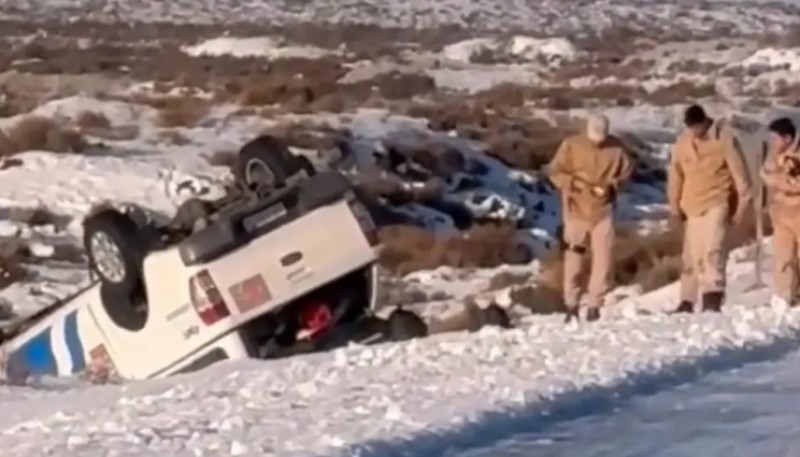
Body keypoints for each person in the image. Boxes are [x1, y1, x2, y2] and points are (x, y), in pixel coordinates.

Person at [547, 114, 633, 322]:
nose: (599, 142)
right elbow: (554, 171)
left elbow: (627, 172)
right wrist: (572, 184)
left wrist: (612, 186)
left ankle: (595, 305)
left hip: (604, 212)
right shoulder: (571, 145)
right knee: (574, 259)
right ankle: (571, 304)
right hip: (576, 211)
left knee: (603, 261)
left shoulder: (617, 149)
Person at [668, 104, 753, 314]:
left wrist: (741, 209)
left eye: (697, 126)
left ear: (704, 121)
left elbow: (740, 176)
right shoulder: (682, 144)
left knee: (713, 250)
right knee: (692, 256)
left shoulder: (724, 140)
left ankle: (712, 296)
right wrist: (673, 206)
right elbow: (676, 176)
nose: (695, 131)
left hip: (717, 201)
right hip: (691, 205)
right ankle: (687, 300)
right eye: (690, 128)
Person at [759, 117, 800, 309]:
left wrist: (782, 181)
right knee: (783, 257)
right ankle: (785, 296)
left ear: (788, 138)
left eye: (776, 139)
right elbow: (766, 174)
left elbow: (794, 184)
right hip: (781, 213)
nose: (773, 143)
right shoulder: (774, 156)